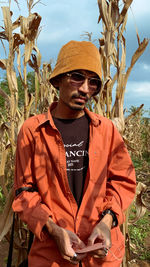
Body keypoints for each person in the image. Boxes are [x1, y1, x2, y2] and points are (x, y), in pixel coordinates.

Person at [12, 40, 136, 267]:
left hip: (101, 256)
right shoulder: (33, 130)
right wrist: (54, 230)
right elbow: (24, 192)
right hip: (51, 255)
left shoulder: (107, 130)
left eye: (93, 82)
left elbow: (123, 182)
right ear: (58, 80)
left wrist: (107, 222)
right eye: (77, 77)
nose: (85, 89)